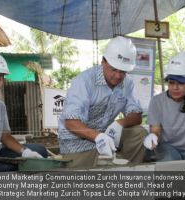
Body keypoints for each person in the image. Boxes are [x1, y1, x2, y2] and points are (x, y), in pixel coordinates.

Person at [58, 36, 147, 168]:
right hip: (76, 143)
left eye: (123, 71)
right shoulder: (84, 81)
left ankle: (127, 168)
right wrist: (98, 137)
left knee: (140, 133)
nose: (118, 76)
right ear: (103, 62)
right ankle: (114, 165)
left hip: (107, 135)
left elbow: (136, 115)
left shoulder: (127, 82)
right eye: (113, 69)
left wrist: (119, 123)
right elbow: (71, 123)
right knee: (94, 177)